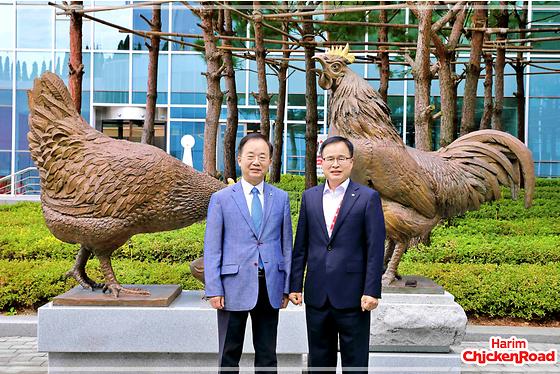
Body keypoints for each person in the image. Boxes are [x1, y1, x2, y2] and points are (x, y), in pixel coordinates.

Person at [289, 136, 386, 373]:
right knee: (319, 362)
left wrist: (372, 290)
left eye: (341, 158)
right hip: (317, 294)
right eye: (330, 158)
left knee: (355, 362)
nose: (335, 164)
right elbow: (301, 244)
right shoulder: (310, 197)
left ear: (351, 162)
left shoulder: (367, 197)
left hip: (354, 296)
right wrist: (295, 285)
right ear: (321, 162)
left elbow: (375, 247)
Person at [204, 133, 292, 373]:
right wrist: (213, 288)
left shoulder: (281, 198)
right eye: (251, 156)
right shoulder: (221, 199)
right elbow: (212, 247)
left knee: (267, 354)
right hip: (232, 286)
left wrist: (286, 286)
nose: (256, 161)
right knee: (229, 354)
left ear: (271, 161)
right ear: (239, 159)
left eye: (262, 156)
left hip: (270, 286)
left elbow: (286, 246)